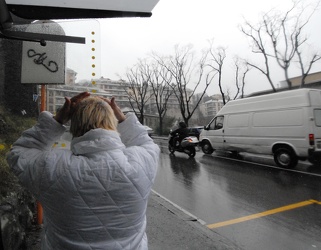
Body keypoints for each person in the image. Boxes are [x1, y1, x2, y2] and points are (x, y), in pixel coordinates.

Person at [7, 92, 160, 250]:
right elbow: (144, 141)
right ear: (113, 123)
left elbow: (20, 152)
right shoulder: (142, 162)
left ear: (73, 126)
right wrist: (123, 118)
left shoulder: (51, 166)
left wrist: (57, 120)